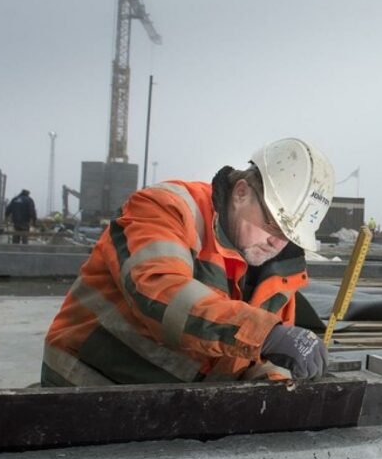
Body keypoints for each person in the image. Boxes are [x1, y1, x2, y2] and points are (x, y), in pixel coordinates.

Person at [41, 138, 335, 386]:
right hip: (86, 386)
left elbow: (249, 358)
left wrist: (280, 385)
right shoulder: (167, 208)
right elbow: (160, 294)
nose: (277, 242)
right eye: (272, 225)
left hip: (168, 407)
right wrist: (267, 334)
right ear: (241, 193)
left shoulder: (279, 271)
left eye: (288, 235)